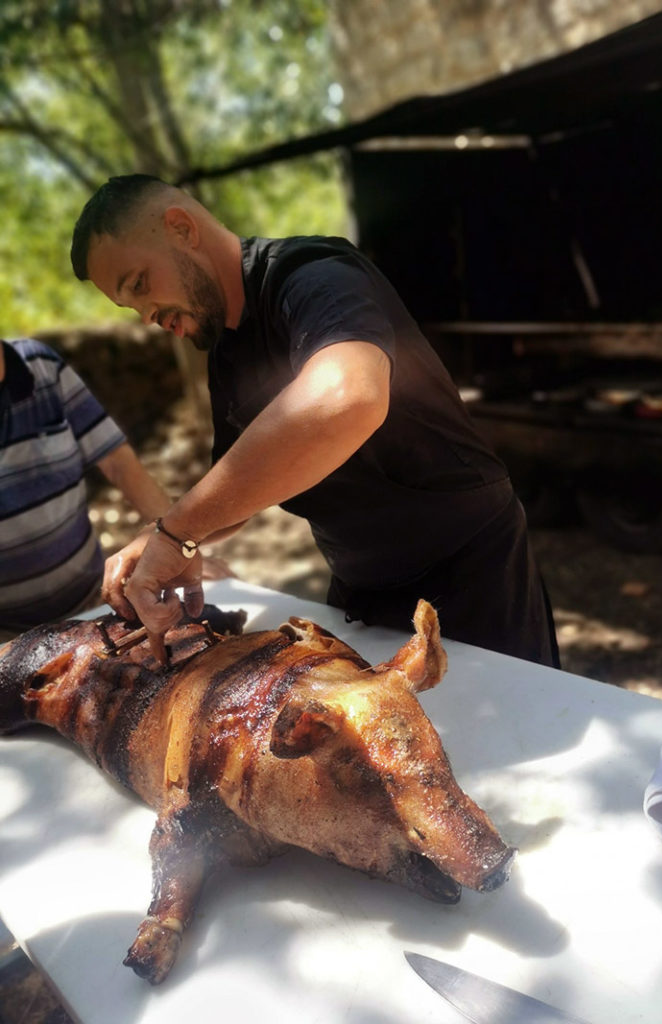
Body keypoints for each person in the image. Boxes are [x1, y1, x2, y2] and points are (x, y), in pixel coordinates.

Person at [70, 174, 559, 666]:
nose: (147, 316)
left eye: (140, 284)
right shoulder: (226, 355)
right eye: (129, 305)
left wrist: (179, 532)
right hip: (360, 592)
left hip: (475, 577)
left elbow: (350, 396)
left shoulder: (313, 274)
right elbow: (237, 491)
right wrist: (162, 537)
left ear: (181, 228)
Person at [0, 335, 172, 640]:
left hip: (94, 608)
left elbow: (120, 463)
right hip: (6, 638)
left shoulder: (41, 367)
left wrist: (176, 543)